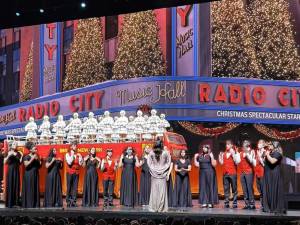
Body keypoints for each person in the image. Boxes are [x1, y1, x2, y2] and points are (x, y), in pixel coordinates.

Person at [147, 140, 171, 212]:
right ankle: (161, 208)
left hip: (155, 174)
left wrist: (154, 170)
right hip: (161, 174)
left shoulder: (151, 153)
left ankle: (154, 208)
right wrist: (163, 169)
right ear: (162, 145)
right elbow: (168, 162)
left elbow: (149, 163)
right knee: (162, 191)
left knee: (154, 191)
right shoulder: (165, 152)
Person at [262, 141, 286, 214]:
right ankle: (268, 207)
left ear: (274, 146)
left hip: (274, 174)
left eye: (270, 144)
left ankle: (275, 207)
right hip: (268, 174)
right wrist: (265, 155)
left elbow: (272, 161)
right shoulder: (270, 153)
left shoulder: (277, 153)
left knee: (274, 189)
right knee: (268, 190)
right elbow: (265, 161)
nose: (269, 146)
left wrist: (267, 155)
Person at [218, 140, 240, 209]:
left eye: (228, 144)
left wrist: (233, 154)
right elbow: (221, 163)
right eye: (226, 144)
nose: (226, 145)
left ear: (231, 145)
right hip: (225, 173)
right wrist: (220, 156)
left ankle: (235, 203)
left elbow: (237, 162)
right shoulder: (224, 153)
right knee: (226, 189)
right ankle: (226, 203)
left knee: (234, 189)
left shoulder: (234, 152)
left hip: (232, 173)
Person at [21, 141, 41, 208]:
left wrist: (38, 159)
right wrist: (33, 158)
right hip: (29, 175)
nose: (35, 148)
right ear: (30, 149)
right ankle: (29, 204)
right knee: (30, 189)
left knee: (35, 188)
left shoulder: (36, 155)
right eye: (33, 147)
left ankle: (35, 204)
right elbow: (26, 165)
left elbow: (39, 166)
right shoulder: (26, 156)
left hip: (35, 174)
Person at [4, 141, 23, 208]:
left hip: (16, 171)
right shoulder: (8, 152)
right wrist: (9, 155)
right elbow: (4, 162)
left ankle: (16, 202)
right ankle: (9, 202)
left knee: (16, 185)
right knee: (10, 185)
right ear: (11, 145)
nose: (16, 145)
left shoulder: (19, 153)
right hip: (10, 171)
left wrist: (19, 156)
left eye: (16, 144)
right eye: (14, 144)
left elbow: (20, 162)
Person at [239, 140, 256, 210]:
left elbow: (251, 161)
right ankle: (247, 204)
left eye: (245, 145)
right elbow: (237, 162)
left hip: (249, 172)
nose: (244, 146)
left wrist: (247, 154)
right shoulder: (241, 153)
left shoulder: (251, 151)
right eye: (243, 145)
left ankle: (252, 204)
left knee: (249, 188)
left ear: (248, 146)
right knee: (244, 189)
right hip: (242, 172)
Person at [65, 142, 83, 207]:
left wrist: (80, 157)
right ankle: (68, 201)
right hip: (70, 172)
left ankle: (74, 201)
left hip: (76, 173)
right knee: (69, 187)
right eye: (74, 146)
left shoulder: (78, 155)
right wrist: (72, 155)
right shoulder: (67, 154)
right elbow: (69, 162)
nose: (76, 147)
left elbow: (80, 164)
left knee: (75, 188)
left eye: (76, 146)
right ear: (71, 147)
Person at [255, 139, 266, 209]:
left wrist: (259, 156)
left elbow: (264, 164)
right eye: (258, 143)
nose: (258, 144)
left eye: (260, 143)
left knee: (263, 189)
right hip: (257, 173)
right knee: (259, 190)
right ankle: (262, 205)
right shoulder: (257, 152)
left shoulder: (265, 152)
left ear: (263, 144)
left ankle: (265, 205)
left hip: (262, 173)